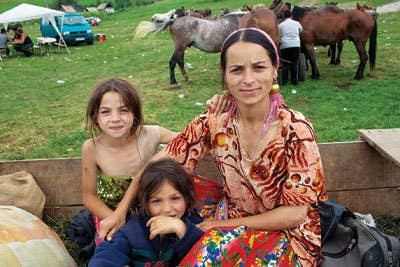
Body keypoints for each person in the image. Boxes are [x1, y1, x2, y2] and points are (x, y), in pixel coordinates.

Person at [100, 28, 328, 266]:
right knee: (164, 185)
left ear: (274, 71)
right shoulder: (215, 120)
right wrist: (119, 213)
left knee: (205, 252)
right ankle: (138, 243)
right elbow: (158, 165)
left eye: (258, 67)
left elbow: (295, 214)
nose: (248, 79)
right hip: (234, 214)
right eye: (236, 70)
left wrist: (215, 226)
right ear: (225, 76)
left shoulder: (295, 129)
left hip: (287, 235)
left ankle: (183, 241)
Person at [82, 77, 229, 244]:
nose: (115, 118)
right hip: (114, 211)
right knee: (114, 244)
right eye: (105, 111)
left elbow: (193, 140)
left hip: (158, 206)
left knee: (198, 225)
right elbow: (89, 197)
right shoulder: (91, 148)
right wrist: (116, 218)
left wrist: (218, 105)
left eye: (123, 110)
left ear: (135, 113)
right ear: (95, 116)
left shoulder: (151, 134)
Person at [88, 159, 204, 266]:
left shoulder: (192, 220)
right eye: (156, 201)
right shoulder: (131, 229)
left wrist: (181, 229)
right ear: (145, 203)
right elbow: (105, 257)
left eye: (175, 198)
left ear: (186, 197)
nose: (167, 209)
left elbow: (207, 252)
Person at [279, 9, 303, 85]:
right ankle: (295, 81)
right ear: (291, 16)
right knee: (295, 63)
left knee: (285, 64)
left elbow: (278, 34)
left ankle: (284, 82)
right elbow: (300, 31)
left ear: (283, 16)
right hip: (296, 45)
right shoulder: (297, 23)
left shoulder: (280, 25)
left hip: (285, 45)